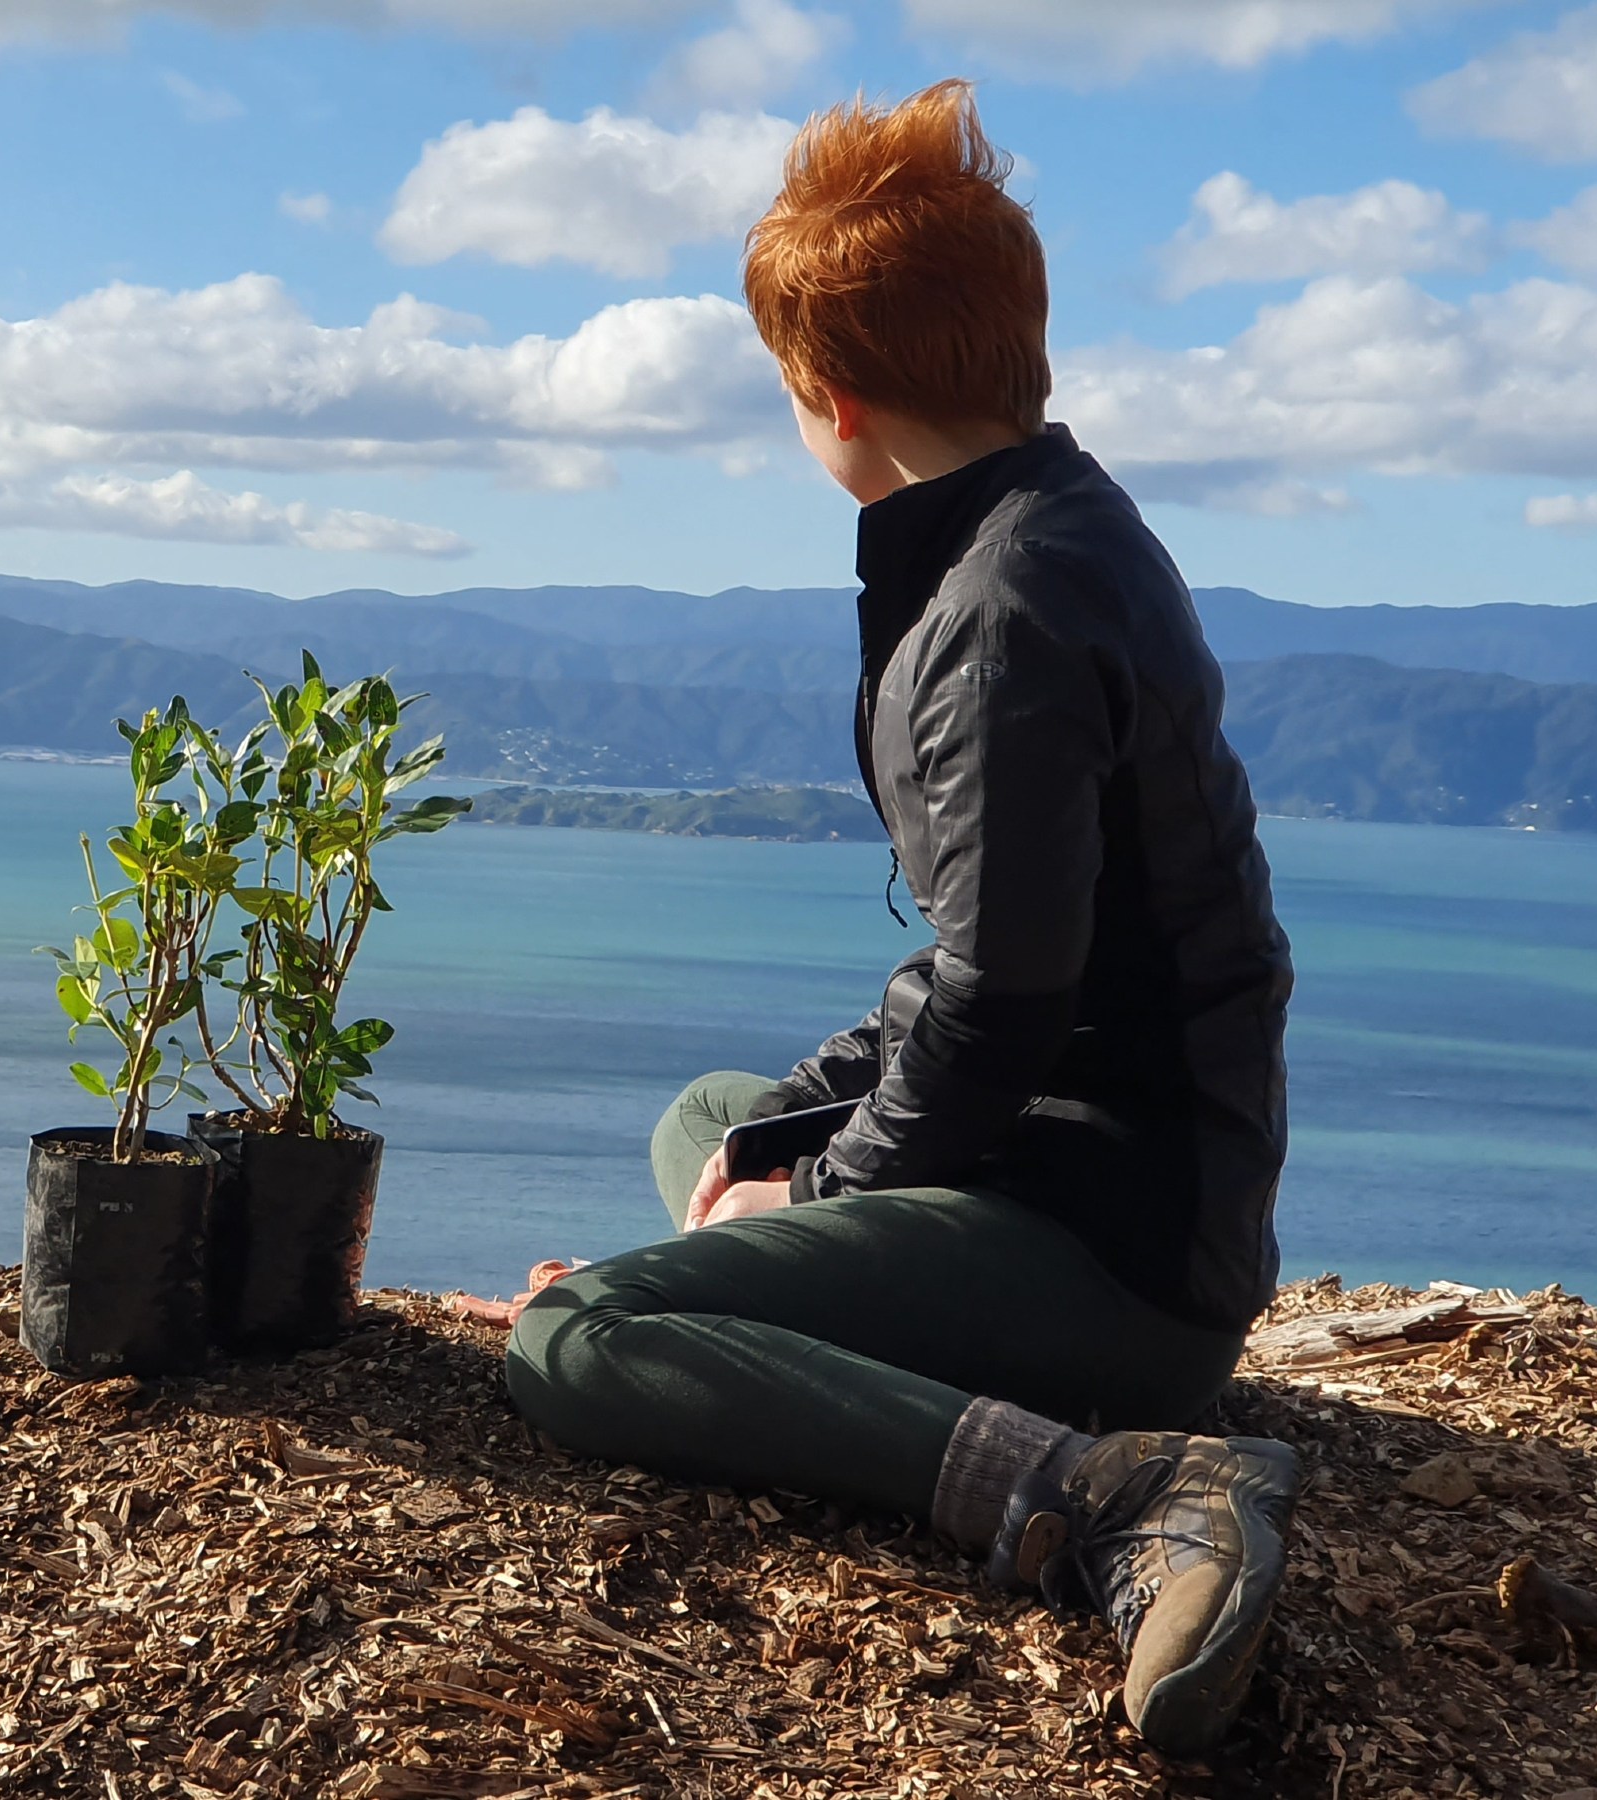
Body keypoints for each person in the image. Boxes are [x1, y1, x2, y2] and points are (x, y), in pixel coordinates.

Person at [490, 81, 1300, 1758]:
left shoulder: (1001, 610)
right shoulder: (1053, 533)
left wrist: (790, 1216)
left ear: (827, 398)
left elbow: (1002, 1001)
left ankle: (1106, 1486)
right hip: (1115, 1180)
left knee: (580, 1338)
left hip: (1114, 1249)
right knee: (713, 1119)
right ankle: (806, 1297)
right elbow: (977, 971)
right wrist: (783, 1156)